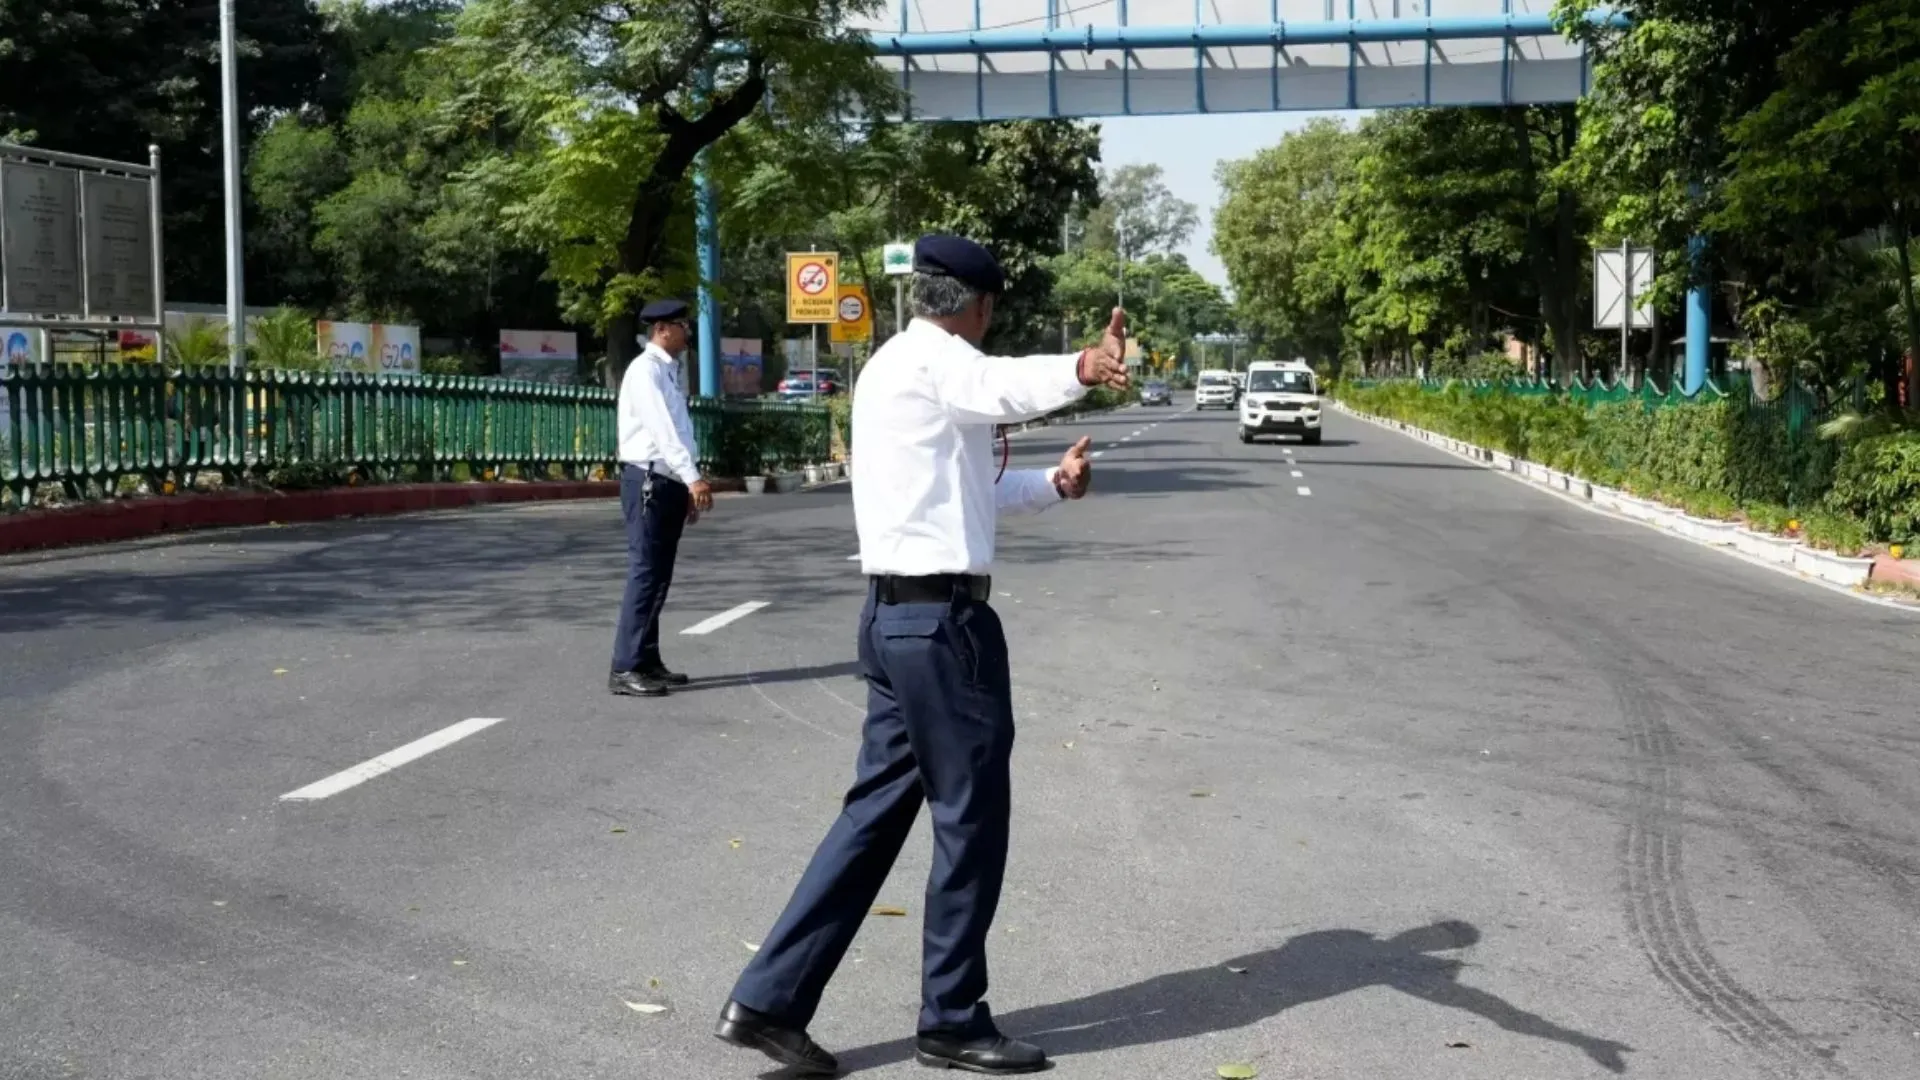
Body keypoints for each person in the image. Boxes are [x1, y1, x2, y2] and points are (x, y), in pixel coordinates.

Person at [715, 235, 1130, 1075]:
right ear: (976, 305)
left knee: (870, 819)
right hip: (942, 629)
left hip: (895, 622)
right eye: (993, 310)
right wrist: (1084, 364)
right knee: (969, 822)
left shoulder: (894, 369)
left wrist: (1052, 484)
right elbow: (1001, 380)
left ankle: (767, 999)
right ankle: (952, 1018)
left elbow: (966, 497)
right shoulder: (942, 362)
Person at [608, 298, 714, 698]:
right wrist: (694, 478)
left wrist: (688, 482)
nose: (688, 332)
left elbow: (682, 433)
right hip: (649, 480)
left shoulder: (668, 372)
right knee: (645, 572)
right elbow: (663, 431)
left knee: (659, 576)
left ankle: (647, 660)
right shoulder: (645, 371)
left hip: (666, 482)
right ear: (662, 330)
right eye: (684, 325)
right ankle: (625, 666)